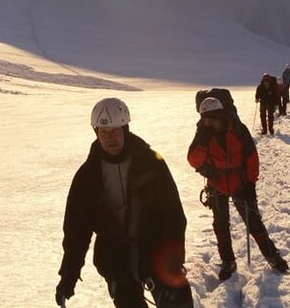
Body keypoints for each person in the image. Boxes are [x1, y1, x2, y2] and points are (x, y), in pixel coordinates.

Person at [57, 98, 192, 307]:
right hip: (116, 259)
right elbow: (77, 230)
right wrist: (68, 275)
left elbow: (173, 214)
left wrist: (173, 259)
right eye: (104, 132)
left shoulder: (151, 163)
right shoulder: (87, 176)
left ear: (125, 129)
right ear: (96, 133)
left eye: (115, 131)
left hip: (157, 250)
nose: (110, 138)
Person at [188, 97, 289, 279]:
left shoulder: (237, 130)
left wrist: (250, 183)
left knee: (254, 222)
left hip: (240, 183)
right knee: (220, 225)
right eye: (204, 118)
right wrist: (202, 143)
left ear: (219, 115)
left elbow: (251, 157)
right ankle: (228, 262)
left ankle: (273, 257)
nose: (207, 122)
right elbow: (193, 159)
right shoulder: (203, 133)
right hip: (216, 184)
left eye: (210, 117)